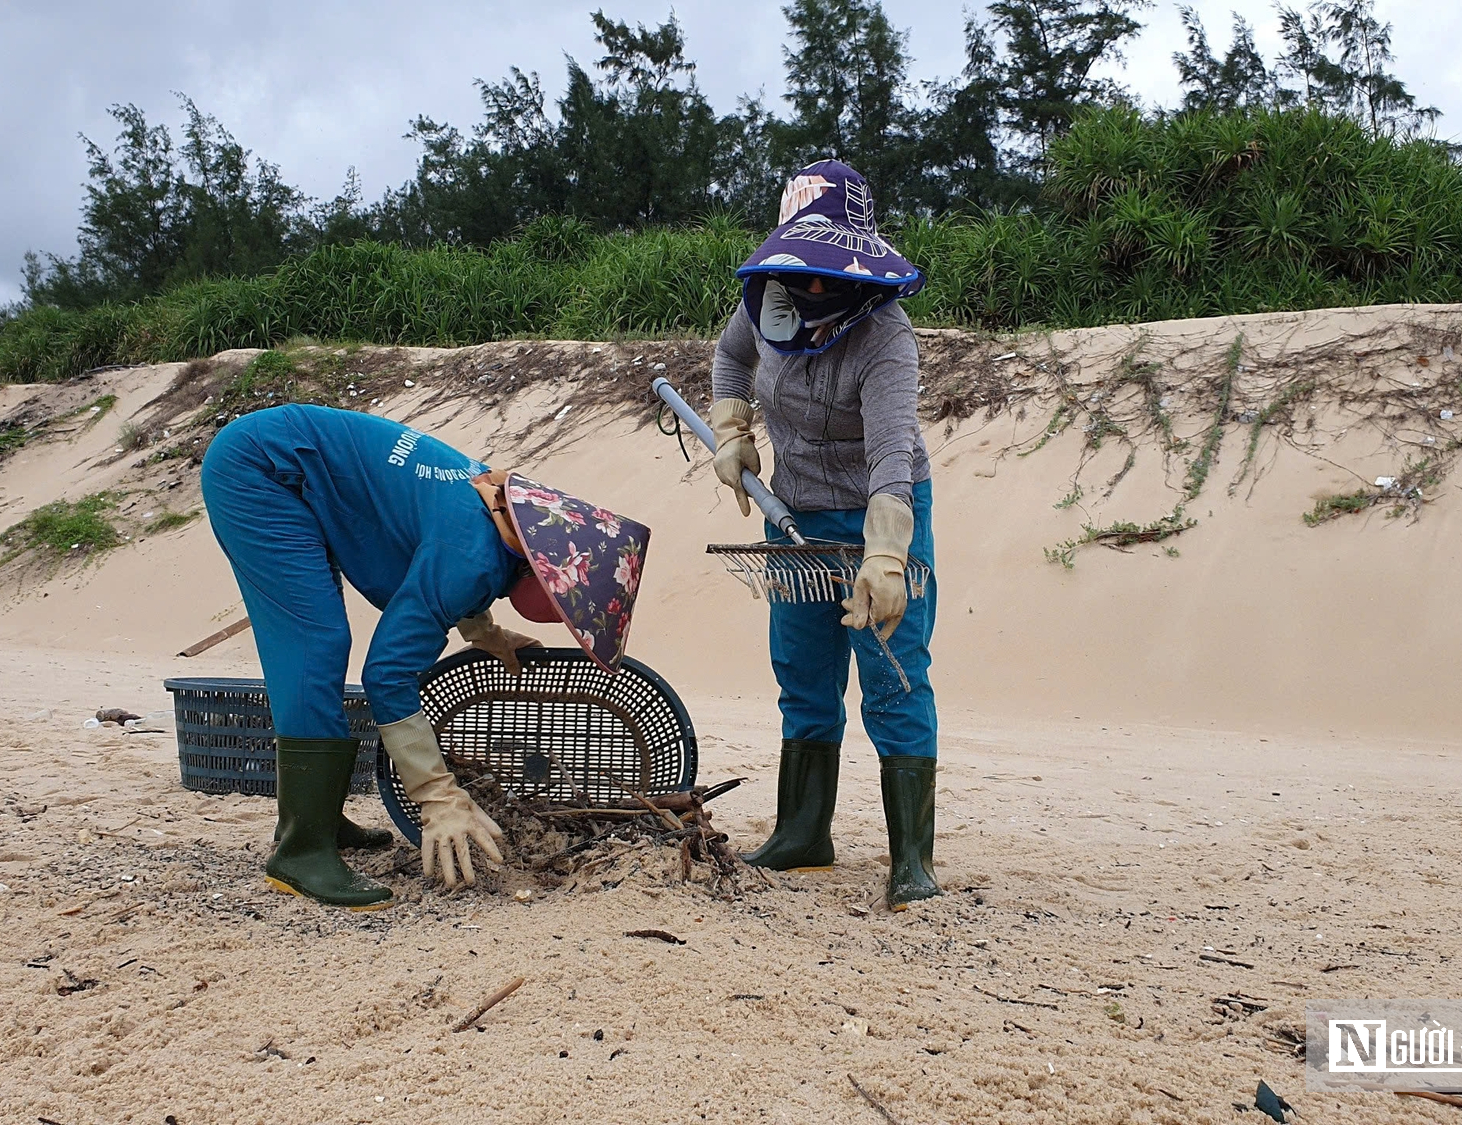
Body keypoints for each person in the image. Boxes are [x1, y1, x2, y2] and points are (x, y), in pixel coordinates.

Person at [200, 403, 650, 909]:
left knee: (320, 639)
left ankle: (314, 818)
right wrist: (437, 795)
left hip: (296, 457)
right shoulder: (473, 556)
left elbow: (432, 561)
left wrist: (487, 633)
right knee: (313, 642)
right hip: (262, 469)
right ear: (547, 578)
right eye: (566, 610)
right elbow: (389, 675)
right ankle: (301, 852)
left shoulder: (502, 514)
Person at [707, 159, 939, 908]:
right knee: (801, 669)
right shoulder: (764, 305)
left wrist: (885, 554)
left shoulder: (885, 338)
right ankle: (803, 832)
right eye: (800, 267)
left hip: (878, 512)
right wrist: (732, 424)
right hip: (795, 516)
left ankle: (912, 862)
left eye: (825, 271)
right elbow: (729, 356)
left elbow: (891, 457)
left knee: (891, 672)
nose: (809, 288)